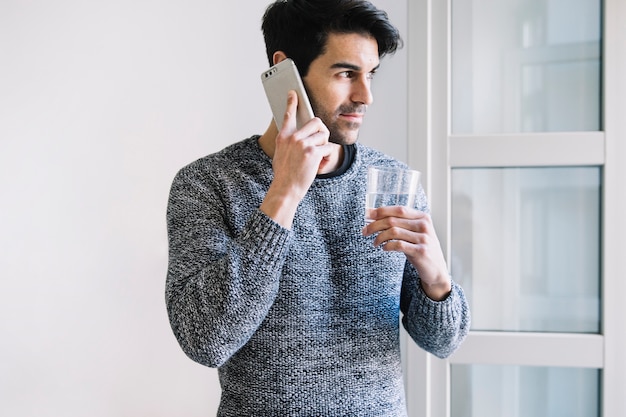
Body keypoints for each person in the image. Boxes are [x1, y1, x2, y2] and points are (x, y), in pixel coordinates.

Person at [165, 1, 470, 415]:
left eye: (371, 75)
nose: (366, 96)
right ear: (285, 69)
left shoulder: (392, 182)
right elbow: (206, 340)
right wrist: (284, 194)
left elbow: (444, 341)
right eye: (346, 74)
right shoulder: (208, 184)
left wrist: (436, 276)